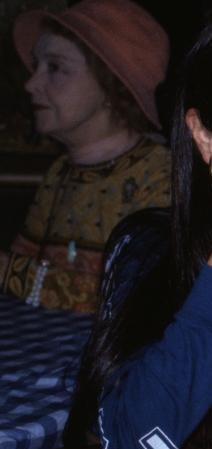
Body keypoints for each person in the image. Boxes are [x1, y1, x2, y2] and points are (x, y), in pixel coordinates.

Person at [2, 0, 170, 312]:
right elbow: (20, 266)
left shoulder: (158, 177)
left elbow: (128, 296)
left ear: (110, 84)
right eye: (37, 66)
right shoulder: (60, 171)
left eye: (55, 67)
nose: (30, 83)